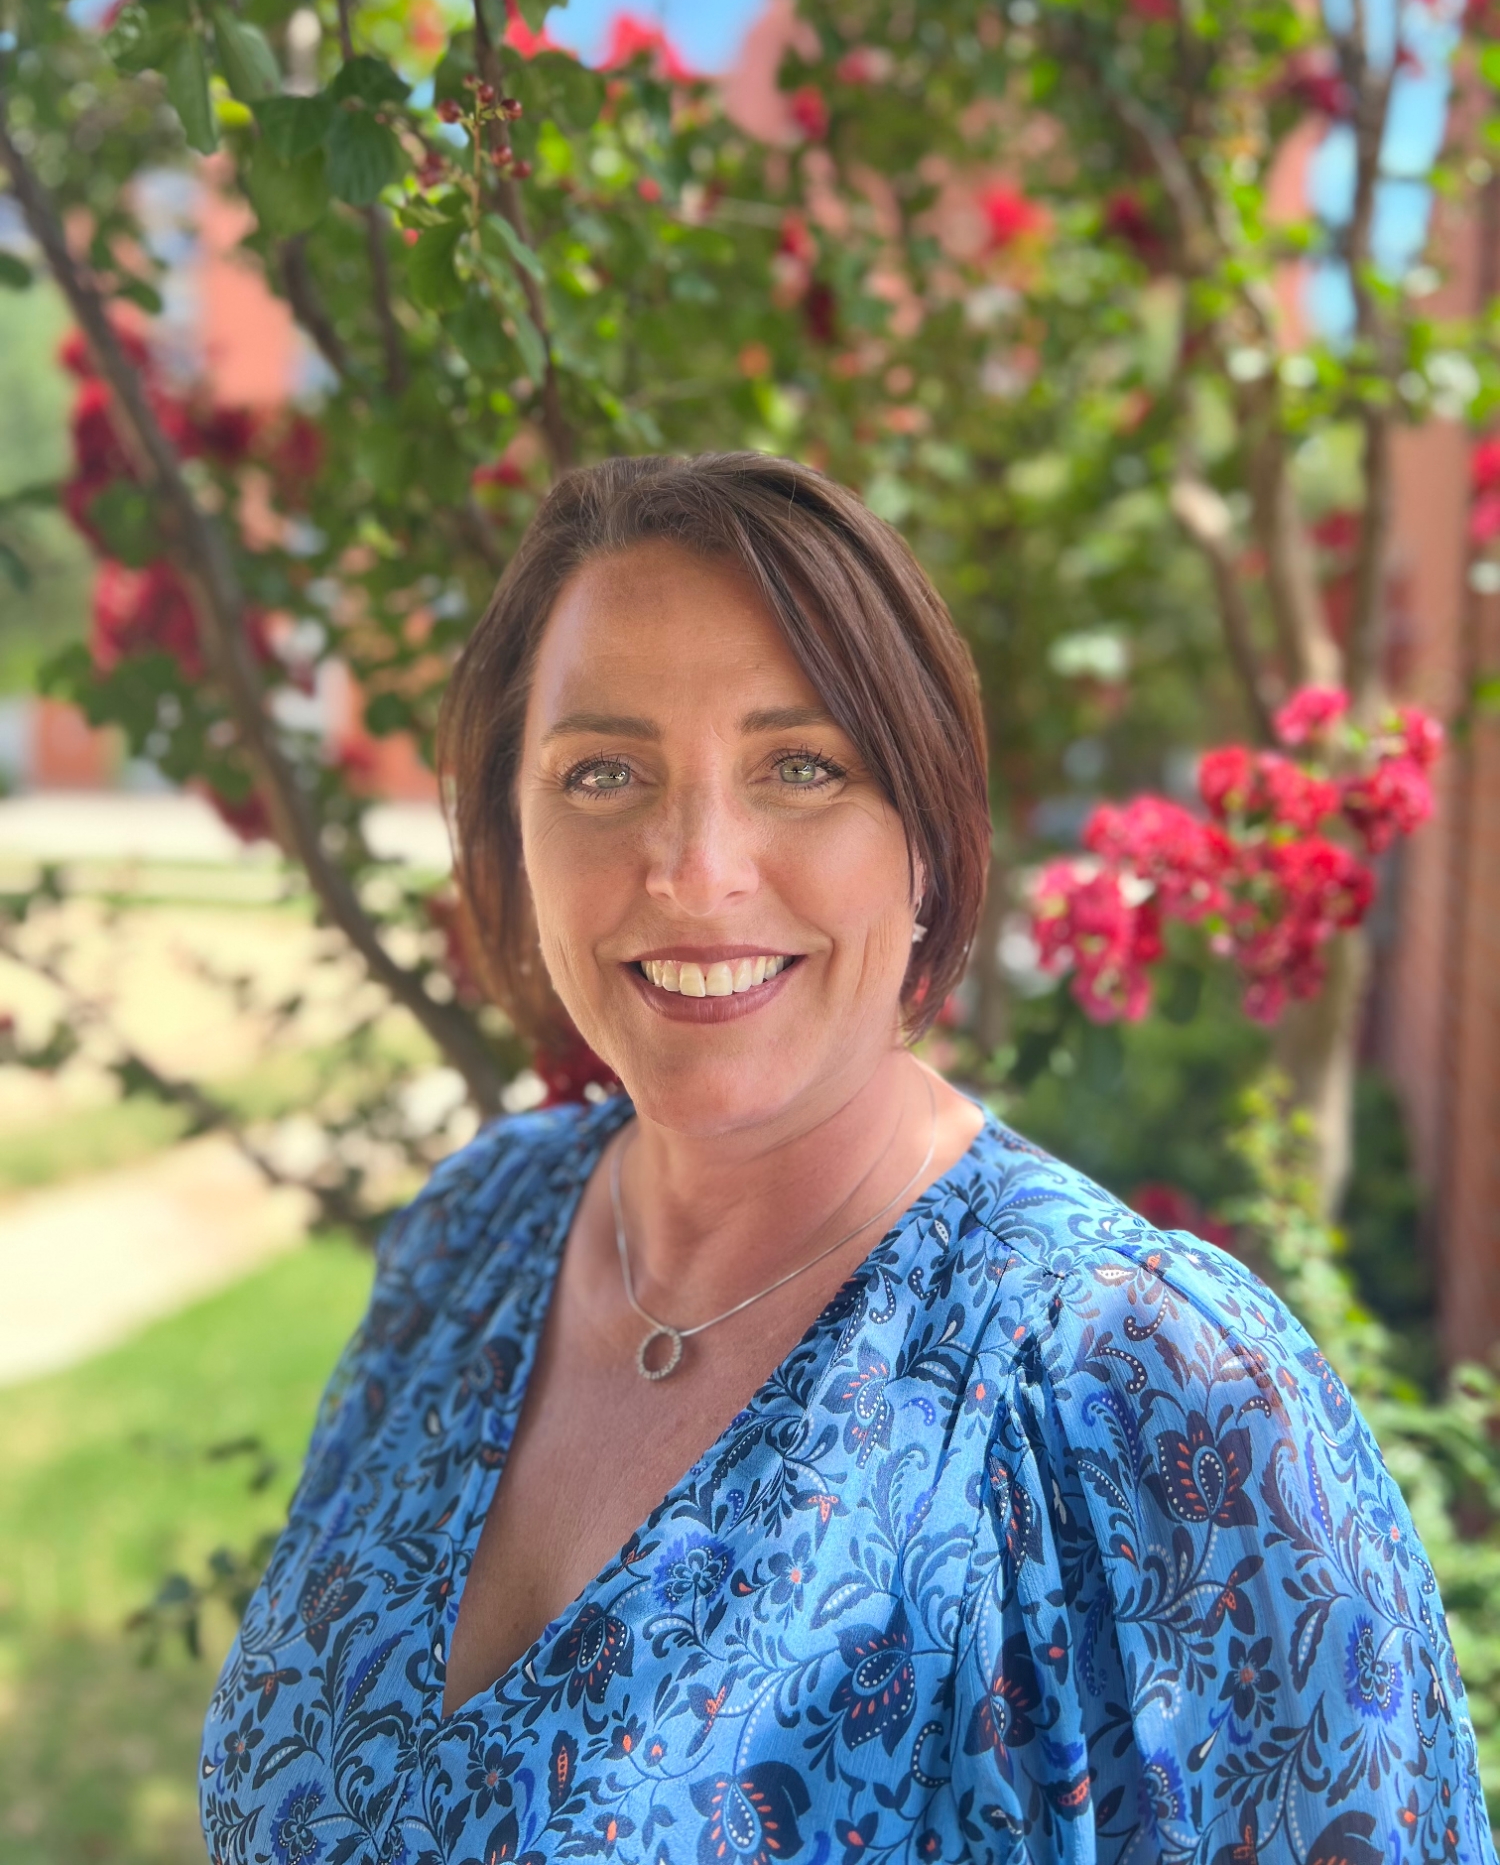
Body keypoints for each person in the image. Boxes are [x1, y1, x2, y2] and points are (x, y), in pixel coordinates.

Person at [201, 453, 1495, 1865]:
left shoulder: (1146, 1388)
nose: (696, 868)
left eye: (801, 766)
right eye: (604, 771)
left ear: (926, 843)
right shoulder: (475, 1231)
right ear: (513, 830)